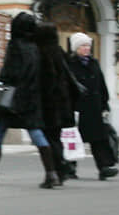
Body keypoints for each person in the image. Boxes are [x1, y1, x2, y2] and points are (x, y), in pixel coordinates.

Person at [0, 12, 57, 189]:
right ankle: (51, 173)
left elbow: (10, 72)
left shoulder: (15, 45)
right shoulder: (35, 47)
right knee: (36, 132)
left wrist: (1, 80)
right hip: (30, 97)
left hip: (11, 98)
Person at [34, 23, 84, 186]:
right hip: (63, 103)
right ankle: (60, 170)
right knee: (56, 137)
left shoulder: (42, 53)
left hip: (48, 103)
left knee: (49, 138)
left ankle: (57, 171)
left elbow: (46, 80)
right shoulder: (60, 52)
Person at [67, 32, 118, 180]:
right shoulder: (70, 64)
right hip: (77, 108)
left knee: (99, 140)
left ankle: (104, 167)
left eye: (88, 45)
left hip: (94, 108)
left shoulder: (94, 63)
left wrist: (105, 105)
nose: (86, 48)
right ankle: (69, 167)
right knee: (73, 140)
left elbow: (101, 85)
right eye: (83, 45)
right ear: (76, 48)